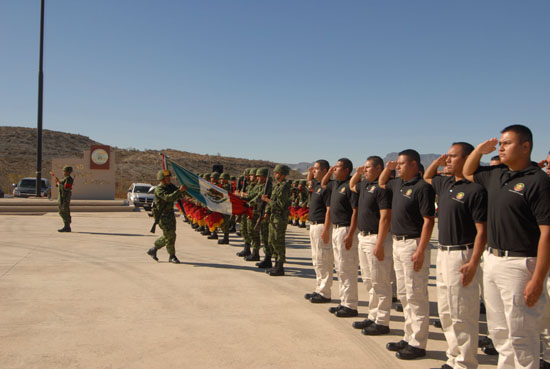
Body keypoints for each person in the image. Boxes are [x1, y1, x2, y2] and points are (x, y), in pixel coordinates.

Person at [463, 125, 550, 369]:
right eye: (500, 143)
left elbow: (547, 234)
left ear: (526, 147)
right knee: (500, 332)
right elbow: (468, 171)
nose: (500, 147)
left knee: (522, 335)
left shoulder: (538, 181)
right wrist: (480, 150)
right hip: (493, 261)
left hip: (521, 265)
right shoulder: (498, 175)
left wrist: (537, 278)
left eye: (506, 143)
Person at [424, 142, 488, 369]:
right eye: (447, 157)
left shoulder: (476, 189)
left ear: (468, 158)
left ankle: (465, 362)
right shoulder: (446, 184)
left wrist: (473, 261)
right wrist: (437, 162)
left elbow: (483, 231)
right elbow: (427, 176)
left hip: (463, 254)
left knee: (462, 312)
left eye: (452, 157)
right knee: (446, 310)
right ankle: (453, 358)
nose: (448, 160)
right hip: (443, 253)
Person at [379, 149, 435, 360]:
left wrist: (421, 249)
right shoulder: (398, 184)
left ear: (414, 165)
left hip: (413, 244)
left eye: (402, 164)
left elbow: (428, 221)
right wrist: (389, 168)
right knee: (403, 293)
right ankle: (408, 336)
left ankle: (418, 343)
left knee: (416, 294)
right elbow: (383, 182)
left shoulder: (422, 188)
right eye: (398, 164)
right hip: (398, 243)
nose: (398, 166)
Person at [349, 156, 393, 335]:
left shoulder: (382, 188)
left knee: (380, 281)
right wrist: (358, 173)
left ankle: (382, 321)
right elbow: (352, 185)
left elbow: (385, 217)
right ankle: (372, 315)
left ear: (379, 168)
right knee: (368, 280)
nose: (365, 170)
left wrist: (380, 243)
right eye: (364, 168)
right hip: (363, 237)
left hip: (376, 238)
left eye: (368, 168)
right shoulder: (364, 186)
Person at [321, 158, 359, 318]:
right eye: (334, 167)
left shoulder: (350, 186)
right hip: (336, 229)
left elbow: (355, 212)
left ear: (347, 170)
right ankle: (344, 301)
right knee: (340, 269)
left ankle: (350, 305)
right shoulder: (335, 184)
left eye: (337, 167)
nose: (334, 169)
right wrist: (329, 172)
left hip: (345, 229)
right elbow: (323, 184)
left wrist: (350, 234)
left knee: (347, 268)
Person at [304, 160, 333, 303]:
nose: (314, 171)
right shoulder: (316, 185)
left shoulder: (326, 187)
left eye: (316, 169)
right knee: (316, 259)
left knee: (323, 259)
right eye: (313, 169)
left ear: (325, 171)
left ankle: (325, 292)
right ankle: (318, 288)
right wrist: (310, 173)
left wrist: (326, 229)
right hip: (313, 225)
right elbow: (309, 181)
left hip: (322, 225)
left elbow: (329, 210)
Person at [147, 169, 187, 264]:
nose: (169, 179)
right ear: (162, 179)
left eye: (169, 177)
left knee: (171, 235)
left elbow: (178, 196)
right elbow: (168, 198)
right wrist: (179, 191)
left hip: (170, 215)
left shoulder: (170, 187)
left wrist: (184, 191)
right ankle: (172, 256)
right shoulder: (159, 189)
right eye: (167, 178)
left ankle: (154, 249)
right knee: (170, 235)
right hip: (162, 216)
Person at [261, 164, 291, 276]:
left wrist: (267, 200)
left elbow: (279, 205)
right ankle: (275, 264)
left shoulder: (284, 187)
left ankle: (280, 266)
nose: (275, 174)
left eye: (277, 173)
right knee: (271, 240)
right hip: (273, 217)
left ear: (283, 174)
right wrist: (267, 213)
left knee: (278, 241)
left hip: (280, 218)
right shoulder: (277, 186)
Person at [53, 165, 74, 232]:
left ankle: (67, 226)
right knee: (62, 211)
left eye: (64, 171)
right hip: (62, 197)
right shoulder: (65, 178)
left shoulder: (69, 179)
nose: (63, 172)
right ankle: (66, 226)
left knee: (64, 211)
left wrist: (59, 184)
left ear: (68, 172)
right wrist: (58, 183)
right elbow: (61, 185)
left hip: (64, 197)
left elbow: (66, 188)